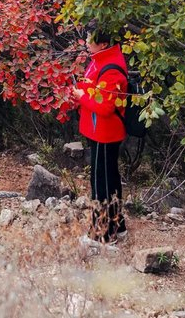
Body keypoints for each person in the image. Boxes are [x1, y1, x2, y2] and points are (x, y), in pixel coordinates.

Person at [71, 25, 128, 244]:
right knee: (109, 178)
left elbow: (105, 107)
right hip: (100, 131)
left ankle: (104, 233)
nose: (86, 41)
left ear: (103, 43)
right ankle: (117, 225)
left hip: (105, 132)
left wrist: (80, 96)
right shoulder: (101, 59)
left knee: (101, 183)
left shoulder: (110, 66)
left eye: (90, 38)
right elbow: (96, 90)